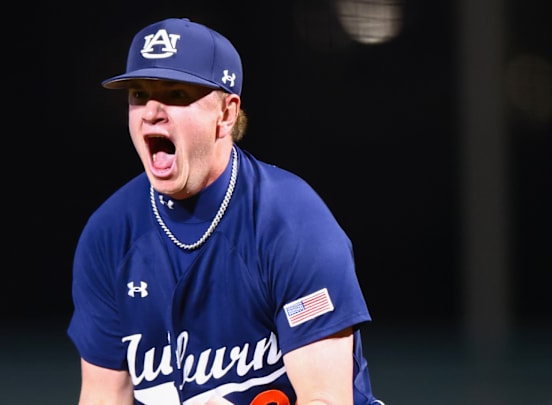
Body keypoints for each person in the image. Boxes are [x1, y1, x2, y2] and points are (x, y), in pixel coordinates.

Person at [67, 17, 384, 405]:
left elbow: (326, 398)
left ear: (227, 113)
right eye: (138, 94)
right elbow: (102, 398)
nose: (151, 111)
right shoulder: (110, 234)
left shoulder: (292, 224)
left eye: (176, 94)